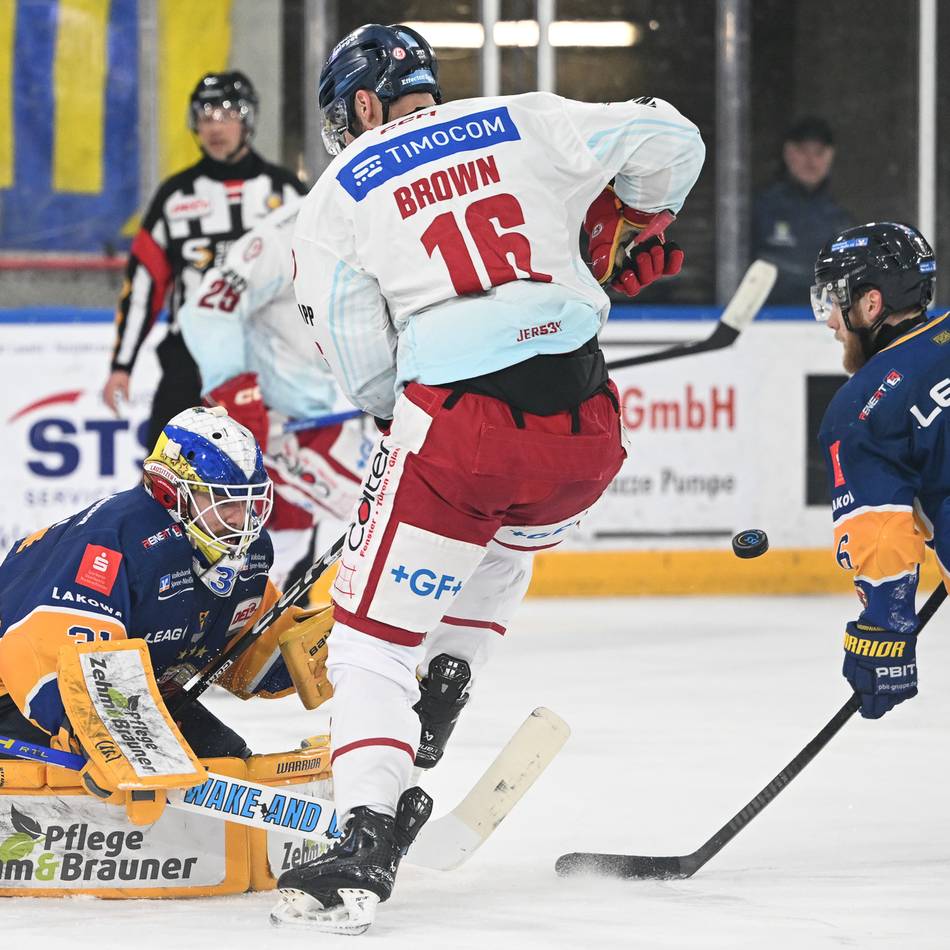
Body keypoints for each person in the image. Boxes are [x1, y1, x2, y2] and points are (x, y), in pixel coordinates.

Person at [271, 22, 705, 933]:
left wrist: (406, 430)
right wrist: (637, 219)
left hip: (462, 429)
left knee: (366, 645)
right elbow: (674, 139)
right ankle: (453, 672)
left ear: (359, 103)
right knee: (507, 537)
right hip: (588, 427)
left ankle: (362, 838)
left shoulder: (339, 191)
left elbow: (364, 369)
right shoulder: (525, 118)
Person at [0, 406, 333, 825]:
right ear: (170, 492)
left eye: (250, 504)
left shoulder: (245, 554)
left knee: (226, 763)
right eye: (224, 503)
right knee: (119, 781)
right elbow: (43, 654)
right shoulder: (112, 540)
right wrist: (94, 737)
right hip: (20, 699)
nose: (241, 521)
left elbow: (251, 653)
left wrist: (344, 655)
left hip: (131, 699)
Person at [103, 71, 307, 450]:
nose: (215, 126)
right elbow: (144, 285)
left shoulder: (288, 191)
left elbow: (317, 274)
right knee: (164, 473)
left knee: (272, 471)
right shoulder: (174, 196)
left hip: (270, 355)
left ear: (247, 120)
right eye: (205, 115)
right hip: (188, 361)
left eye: (227, 114)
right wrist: (122, 365)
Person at [178, 200, 374, 591]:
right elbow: (206, 309)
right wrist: (234, 392)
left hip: (352, 411)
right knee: (397, 521)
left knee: (285, 545)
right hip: (286, 424)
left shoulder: (392, 217)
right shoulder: (287, 233)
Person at [812, 222, 944, 720]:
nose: (830, 321)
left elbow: (884, 539)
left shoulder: (861, 407)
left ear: (870, 305)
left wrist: (885, 637)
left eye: (834, 302)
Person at [753, 117, 853, 305]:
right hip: (765, 322)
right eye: (803, 151)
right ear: (788, 153)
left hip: (821, 324)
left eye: (819, 152)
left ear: (830, 156)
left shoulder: (840, 219)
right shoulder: (760, 208)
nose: (811, 160)